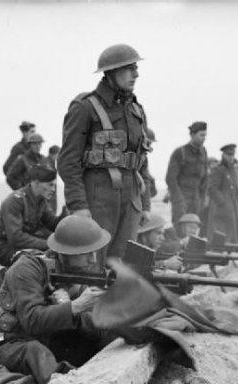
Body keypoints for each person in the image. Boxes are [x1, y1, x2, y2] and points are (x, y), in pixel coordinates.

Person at [0, 215, 111, 384]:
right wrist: (76, 306)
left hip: (44, 337)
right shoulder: (27, 269)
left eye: (94, 253)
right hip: (4, 342)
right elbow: (32, 321)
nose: (92, 260)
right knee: (34, 351)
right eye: (86, 254)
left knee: (93, 342)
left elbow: (89, 324)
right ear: (65, 253)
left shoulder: (77, 272)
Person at [58, 44, 151, 260]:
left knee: (122, 263)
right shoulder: (85, 107)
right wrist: (79, 206)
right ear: (111, 72)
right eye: (129, 68)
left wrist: (145, 204)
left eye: (135, 68)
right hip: (98, 199)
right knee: (92, 262)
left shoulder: (136, 110)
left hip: (131, 201)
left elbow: (142, 161)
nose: (136, 74)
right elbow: (68, 162)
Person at [0, 164, 60, 268]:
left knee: (57, 256)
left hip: (21, 244)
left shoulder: (41, 201)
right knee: (37, 261)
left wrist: (66, 217)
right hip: (3, 246)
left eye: (54, 185)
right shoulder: (15, 201)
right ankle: (6, 276)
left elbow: (52, 223)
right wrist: (48, 244)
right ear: (36, 183)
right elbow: (16, 238)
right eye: (50, 185)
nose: (53, 189)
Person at [205, 143, 238, 247]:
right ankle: (221, 251)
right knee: (222, 232)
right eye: (228, 155)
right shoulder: (218, 169)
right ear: (223, 155)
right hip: (222, 207)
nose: (231, 157)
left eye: (232, 155)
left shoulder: (236, 168)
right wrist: (222, 202)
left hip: (236, 204)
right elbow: (211, 188)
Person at [166, 121, 209, 228]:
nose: (204, 138)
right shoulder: (180, 152)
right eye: (201, 135)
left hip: (196, 199)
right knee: (180, 228)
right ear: (192, 135)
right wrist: (178, 199)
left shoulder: (204, 152)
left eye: (205, 135)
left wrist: (202, 199)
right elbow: (170, 178)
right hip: (181, 198)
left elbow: (205, 179)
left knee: (194, 229)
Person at [140, 127, 158, 212]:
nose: (149, 146)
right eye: (148, 143)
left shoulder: (143, 158)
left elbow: (153, 193)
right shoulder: (139, 157)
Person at [45, 144, 60, 213]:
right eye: (58, 154)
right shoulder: (47, 165)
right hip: (47, 198)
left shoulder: (52, 163)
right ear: (53, 154)